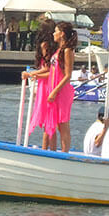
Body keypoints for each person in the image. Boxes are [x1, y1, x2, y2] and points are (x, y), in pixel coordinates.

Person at [22, 20, 58, 150]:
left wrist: (32, 74)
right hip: (49, 83)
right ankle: (51, 150)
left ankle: (46, 150)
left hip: (46, 85)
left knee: (48, 122)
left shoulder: (45, 45)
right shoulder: (55, 46)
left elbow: (47, 68)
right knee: (50, 122)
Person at [46, 22, 77, 152]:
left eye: (56, 31)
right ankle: (52, 150)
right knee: (54, 123)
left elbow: (68, 75)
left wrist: (54, 91)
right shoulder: (59, 50)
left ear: (62, 33)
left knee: (63, 124)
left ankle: (65, 153)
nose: (53, 34)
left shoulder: (67, 50)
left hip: (61, 91)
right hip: (54, 88)